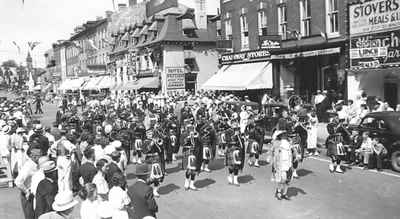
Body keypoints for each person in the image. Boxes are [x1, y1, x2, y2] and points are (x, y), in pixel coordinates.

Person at [15, 148, 42, 219]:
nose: (41, 157)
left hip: (37, 194)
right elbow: (18, 181)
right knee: (30, 216)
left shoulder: (37, 164)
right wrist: (27, 192)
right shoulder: (28, 166)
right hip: (29, 196)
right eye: (39, 155)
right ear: (33, 156)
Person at [271, 131, 293, 200]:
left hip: (289, 163)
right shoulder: (278, 143)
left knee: (288, 179)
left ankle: (284, 193)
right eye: (284, 135)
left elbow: (291, 153)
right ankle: (278, 192)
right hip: (281, 163)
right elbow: (275, 154)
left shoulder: (289, 143)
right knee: (282, 179)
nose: (286, 136)